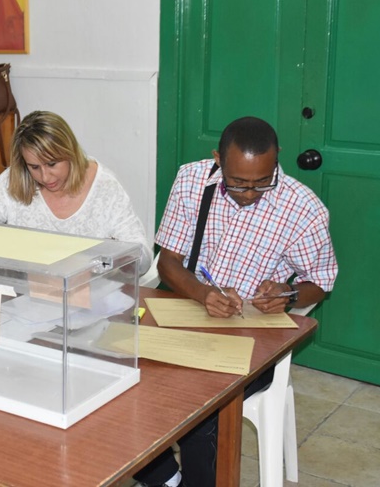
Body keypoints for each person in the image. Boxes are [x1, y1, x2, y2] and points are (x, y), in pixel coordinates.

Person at [134, 116, 337, 487]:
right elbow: (169, 262)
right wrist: (203, 294)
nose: (249, 193)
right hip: (185, 312)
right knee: (122, 376)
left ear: (277, 161)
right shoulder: (192, 180)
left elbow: (320, 284)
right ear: (217, 160)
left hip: (249, 338)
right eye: (238, 182)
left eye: (263, 182)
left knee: (202, 409)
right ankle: (164, 477)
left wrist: (288, 294)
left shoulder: (304, 210)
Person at [0, 111, 152, 274]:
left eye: (52, 164)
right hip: (24, 297)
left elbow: (142, 260)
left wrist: (114, 253)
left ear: (70, 153)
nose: (45, 177)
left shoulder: (105, 188)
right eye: (34, 167)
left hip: (90, 299)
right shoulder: (13, 180)